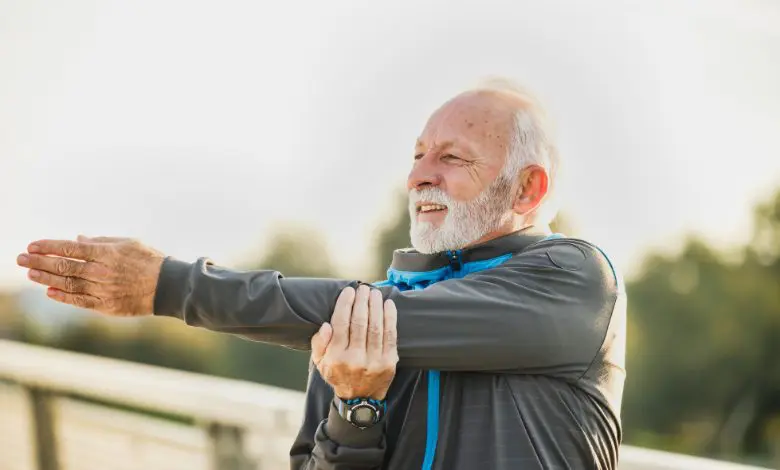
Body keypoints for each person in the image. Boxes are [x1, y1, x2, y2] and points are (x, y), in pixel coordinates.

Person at [16, 79, 626, 469]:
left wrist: (169, 286)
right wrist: (355, 414)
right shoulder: (353, 323)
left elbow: (382, 315)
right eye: (417, 155)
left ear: (528, 187)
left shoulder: (573, 279)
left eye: (452, 158)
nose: (419, 177)